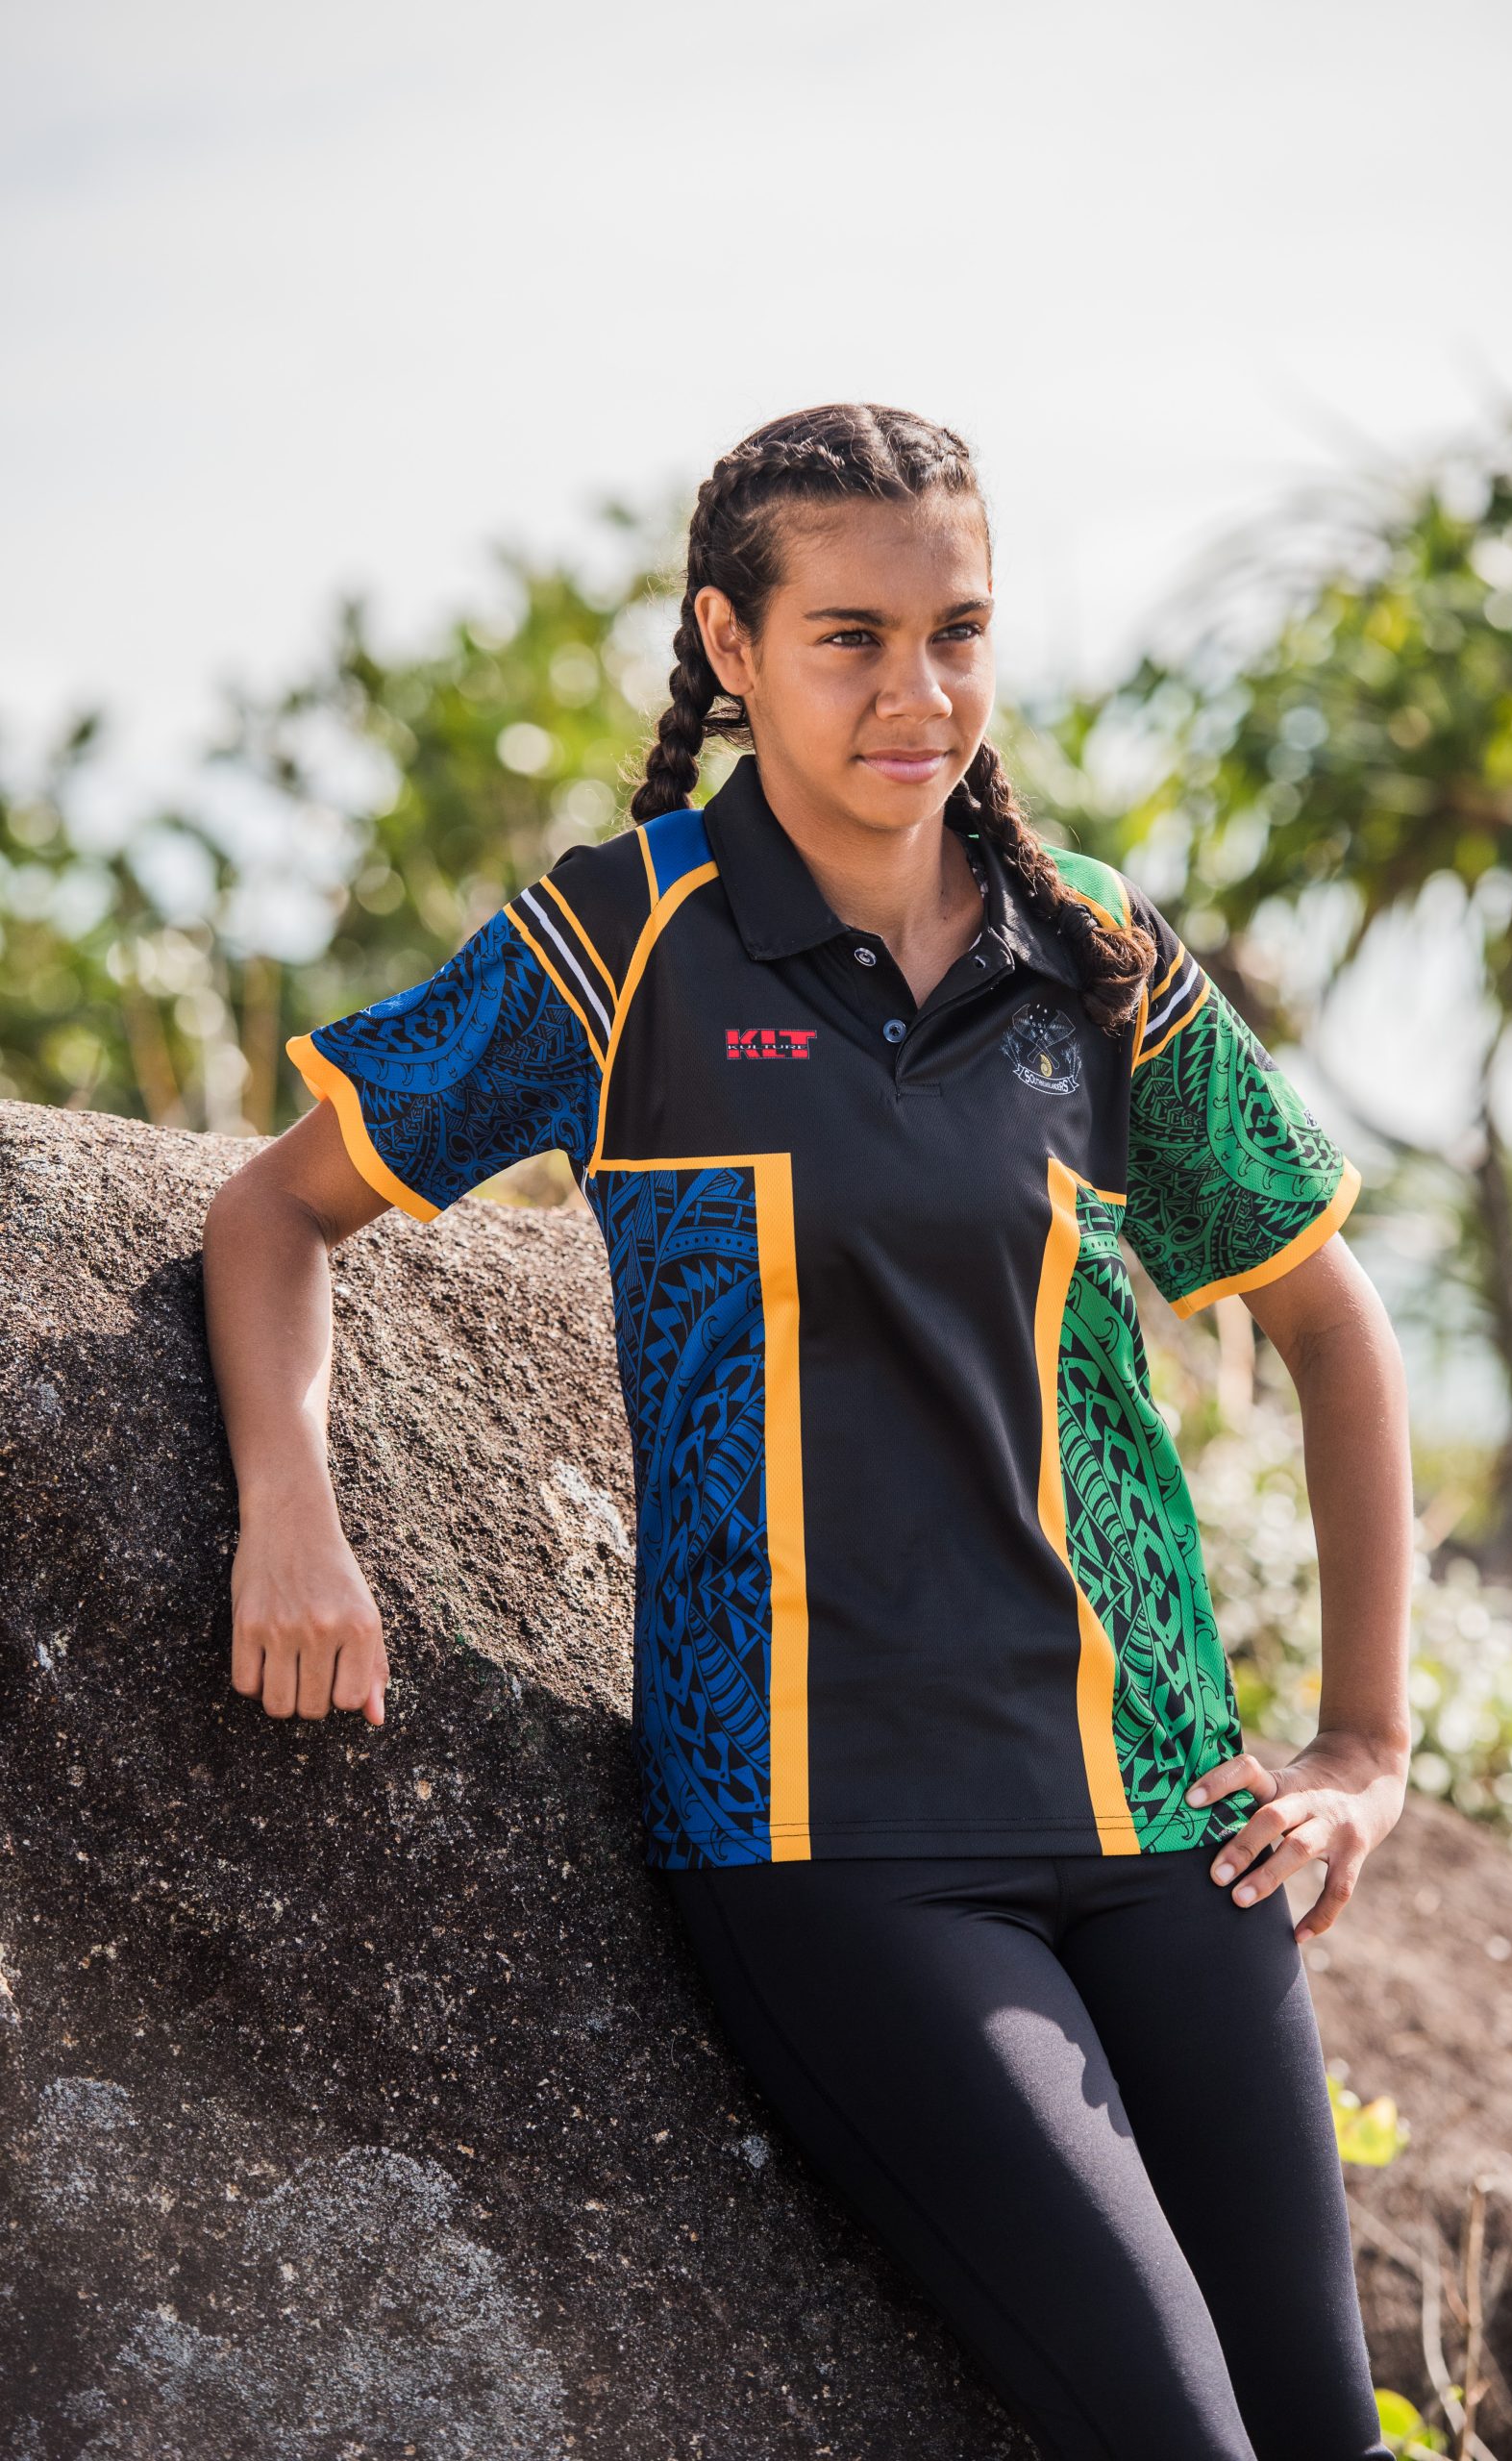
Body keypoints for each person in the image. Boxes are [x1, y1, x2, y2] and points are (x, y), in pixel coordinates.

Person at [202, 403, 1411, 2460]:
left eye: (958, 632)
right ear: (730, 644)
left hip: (1164, 1814)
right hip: (833, 1839)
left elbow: (1326, 1314)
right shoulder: (625, 939)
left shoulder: (1093, 947)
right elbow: (274, 1213)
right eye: (850, 637)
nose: (915, 693)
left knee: (1325, 2434)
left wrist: (1363, 1747)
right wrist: (291, 1508)